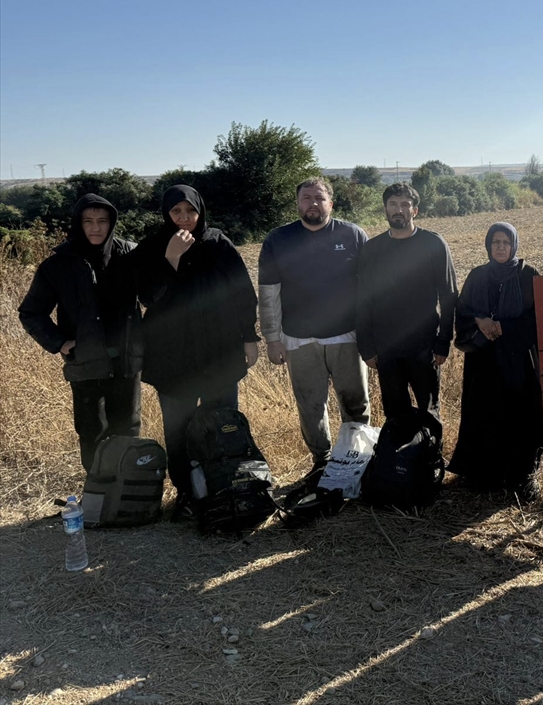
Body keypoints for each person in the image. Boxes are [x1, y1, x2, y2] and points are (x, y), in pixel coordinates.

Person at [137, 185, 259, 513]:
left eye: (190, 211)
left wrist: (249, 337)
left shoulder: (218, 243)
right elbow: (148, 296)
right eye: (176, 212)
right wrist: (172, 257)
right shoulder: (153, 246)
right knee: (178, 429)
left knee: (223, 423)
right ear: (166, 214)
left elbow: (242, 293)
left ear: (200, 210)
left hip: (219, 352)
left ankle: (226, 485)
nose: (184, 218)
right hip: (172, 357)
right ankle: (187, 493)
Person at [19, 194, 144, 472]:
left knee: (128, 431)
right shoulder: (58, 264)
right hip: (86, 362)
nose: (96, 228)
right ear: (78, 224)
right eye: (88, 221)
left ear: (112, 222)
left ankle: (130, 498)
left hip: (126, 361)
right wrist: (60, 342)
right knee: (92, 433)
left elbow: (155, 295)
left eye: (102, 221)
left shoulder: (131, 255)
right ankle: (98, 495)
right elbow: (31, 312)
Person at [259, 178, 370, 476]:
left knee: (355, 403)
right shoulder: (278, 240)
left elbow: (371, 288)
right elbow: (269, 293)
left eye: (319, 198)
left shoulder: (353, 234)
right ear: (297, 204)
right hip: (297, 338)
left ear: (331, 203)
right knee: (310, 405)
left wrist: (372, 333)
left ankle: (356, 460)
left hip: (347, 336)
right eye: (306, 198)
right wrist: (272, 338)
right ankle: (321, 462)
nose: (313, 203)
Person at [448, 222, 543, 499]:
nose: (500, 247)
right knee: (486, 414)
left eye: (505, 242)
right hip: (484, 363)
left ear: (514, 244)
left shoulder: (529, 275)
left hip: (520, 361)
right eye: (495, 243)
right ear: (488, 246)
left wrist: (504, 326)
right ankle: (485, 475)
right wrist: (479, 321)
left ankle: (522, 476)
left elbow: (540, 318)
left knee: (523, 416)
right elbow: (462, 312)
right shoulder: (478, 276)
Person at [356, 183, 457, 428]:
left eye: (404, 205)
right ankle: (399, 465)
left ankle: (431, 464)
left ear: (415, 211)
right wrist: (366, 347)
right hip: (386, 348)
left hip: (425, 347)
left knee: (429, 414)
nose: (398, 210)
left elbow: (449, 295)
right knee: (395, 415)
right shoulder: (372, 249)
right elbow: (362, 300)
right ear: (385, 209)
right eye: (393, 204)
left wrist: (443, 342)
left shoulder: (433, 244)